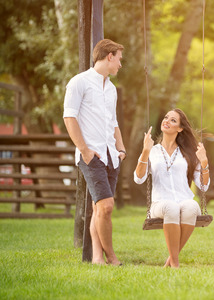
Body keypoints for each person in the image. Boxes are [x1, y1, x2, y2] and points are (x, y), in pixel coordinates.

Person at [63, 39, 125, 266]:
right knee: (107, 206)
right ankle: (112, 257)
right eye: (119, 59)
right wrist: (85, 151)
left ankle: (97, 257)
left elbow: (114, 122)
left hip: (112, 156)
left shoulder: (111, 89)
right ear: (109, 56)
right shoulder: (79, 82)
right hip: (92, 156)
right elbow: (69, 117)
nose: (120, 64)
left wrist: (121, 148)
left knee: (99, 207)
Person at [134, 108, 210, 268]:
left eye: (173, 120)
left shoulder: (188, 153)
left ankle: (170, 261)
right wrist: (145, 151)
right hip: (160, 204)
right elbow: (139, 178)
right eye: (166, 117)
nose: (166, 121)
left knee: (191, 206)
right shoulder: (153, 151)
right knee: (171, 207)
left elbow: (203, 185)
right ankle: (175, 263)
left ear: (180, 128)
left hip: (184, 199)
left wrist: (204, 163)